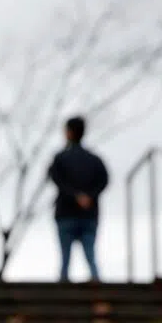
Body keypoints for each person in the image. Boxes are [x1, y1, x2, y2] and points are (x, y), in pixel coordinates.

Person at [47, 116, 109, 282]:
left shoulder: (60, 158)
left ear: (69, 132)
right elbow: (104, 180)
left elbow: (55, 178)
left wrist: (75, 195)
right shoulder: (94, 160)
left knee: (65, 259)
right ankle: (96, 283)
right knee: (90, 254)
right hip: (89, 214)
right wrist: (89, 196)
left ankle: (63, 286)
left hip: (66, 213)